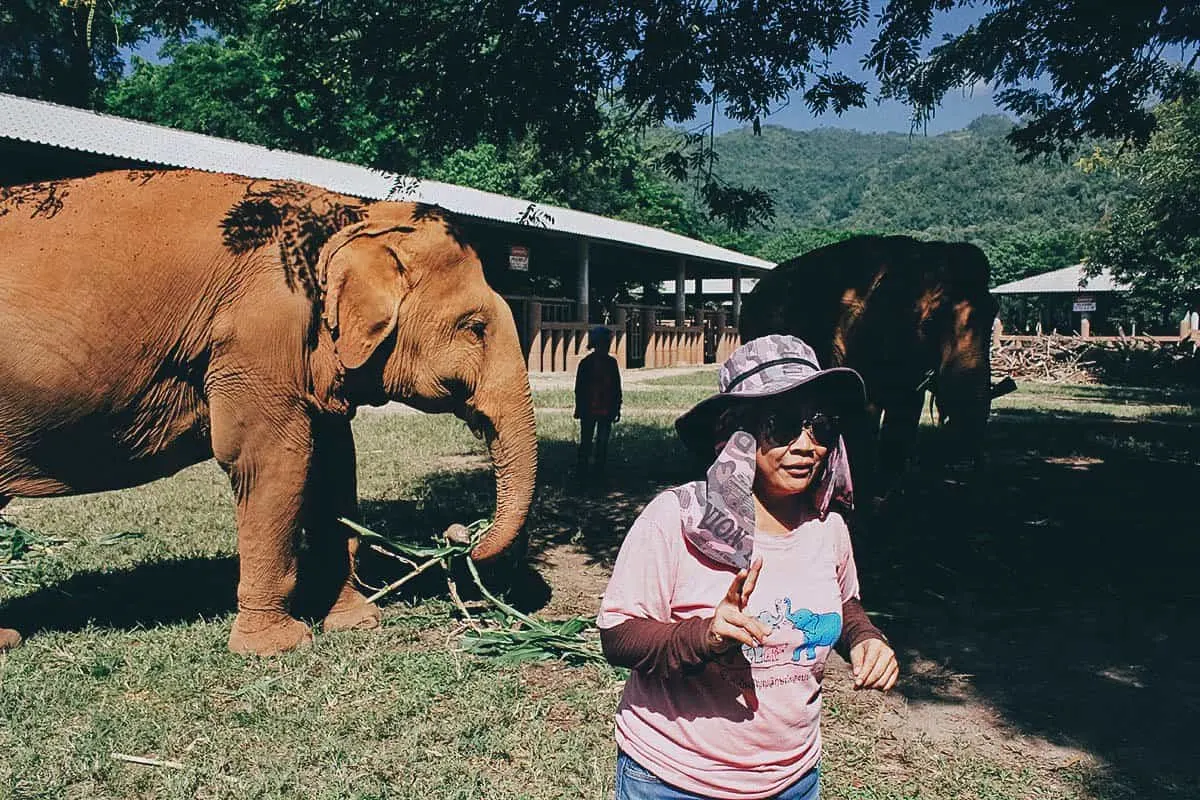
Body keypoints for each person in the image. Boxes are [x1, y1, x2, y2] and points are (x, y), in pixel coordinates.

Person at [597, 335, 898, 800]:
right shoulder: (676, 519)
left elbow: (844, 602)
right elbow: (617, 636)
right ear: (738, 433)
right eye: (781, 426)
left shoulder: (828, 528)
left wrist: (863, 638)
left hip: (793, 780)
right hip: (677, 780)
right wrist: (706, 636)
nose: (805, 445)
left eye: (820, 426)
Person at [574, 325, 622, 481]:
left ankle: (598, 473)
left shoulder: (611, 363)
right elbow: (579, 388)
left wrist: (617, 407)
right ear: (596, 344)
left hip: (606, 409)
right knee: (586, 442)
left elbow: (616, 387)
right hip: (589, 409)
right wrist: (579, 408)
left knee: (602, 443)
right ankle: (582, 473)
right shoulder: (585, 364)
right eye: (604, 343)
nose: (607, 347)